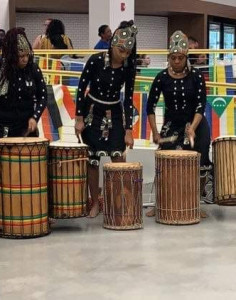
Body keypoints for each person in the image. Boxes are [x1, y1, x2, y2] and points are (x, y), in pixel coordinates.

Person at [0, 27, 48, 232]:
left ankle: (37, 211)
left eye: (27, 55)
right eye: (20, 56)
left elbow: (42, 96)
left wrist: (34, 117)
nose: (24, 59)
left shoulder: (33, 69)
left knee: (33, 171)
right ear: (12, 55)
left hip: (25, 127)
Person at [75, 20, 137, 218]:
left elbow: (128, 99)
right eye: (121, 50)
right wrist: (79, 118)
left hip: (115, 113)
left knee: (119, 156)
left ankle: (119, 202)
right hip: (92, 111)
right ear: (112, 44)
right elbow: (80, 89)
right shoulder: (95, 60)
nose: (124, 54)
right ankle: (94, 202)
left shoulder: (129, 67)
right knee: (92, 160)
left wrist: (129, 130)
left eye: (127, 52)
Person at [145, 30, 211, 217]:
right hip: (172, 124)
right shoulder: (161, 77)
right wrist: (156, 132)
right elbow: (149, 107)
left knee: (201, 160)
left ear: (186, 56)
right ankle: (161, 203)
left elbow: (201, 104)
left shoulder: (197, 76)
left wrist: (193, 128)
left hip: (196, 122)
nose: (176, 61)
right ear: (168, 57)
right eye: (173, 58)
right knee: (164, 163)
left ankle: (195, 203)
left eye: (180, 58)